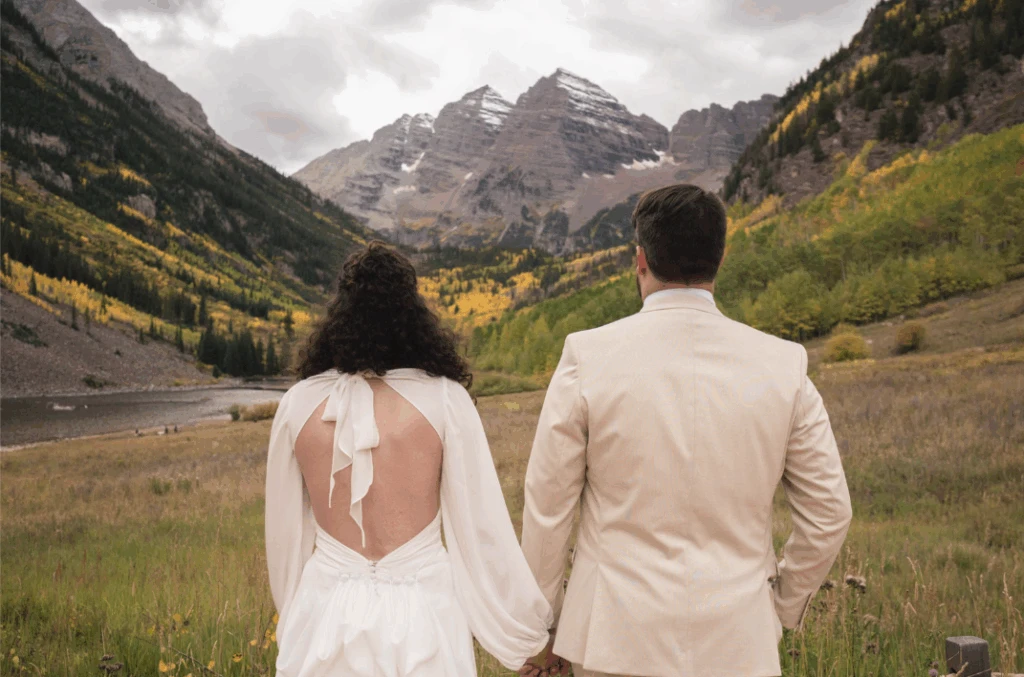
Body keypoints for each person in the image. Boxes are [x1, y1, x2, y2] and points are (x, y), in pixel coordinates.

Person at [519, 184, 853, 677]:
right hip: (741, 640)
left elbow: (548, 508)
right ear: (719, 258)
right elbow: (829, 513)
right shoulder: (784, 364)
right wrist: (779, 606)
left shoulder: (586, 356)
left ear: (640, 260)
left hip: (613, 638)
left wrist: (542, 628)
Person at [265, 241, 553, 676]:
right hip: (424, 611)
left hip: (323, 612)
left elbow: (284, 537)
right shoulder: (445, 400)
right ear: (411, 312)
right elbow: (482, 531)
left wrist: (295, 617)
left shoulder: (297, 405)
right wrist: (532, 641)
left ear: (340, 311)